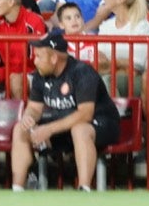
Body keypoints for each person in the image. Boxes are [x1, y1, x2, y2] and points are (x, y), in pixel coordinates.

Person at [11, 30, 121, 191]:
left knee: (80, 130)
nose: (35, 61)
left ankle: (84, 189)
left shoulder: (82, 72)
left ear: (54, 58)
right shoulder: (40, 75)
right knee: (20, 129)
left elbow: (85, 114)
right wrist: (29, 117)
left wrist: (48, 129)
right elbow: (34, 108)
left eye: (39, 56)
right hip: (64, 126)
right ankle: (17, 189)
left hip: (102, 123)